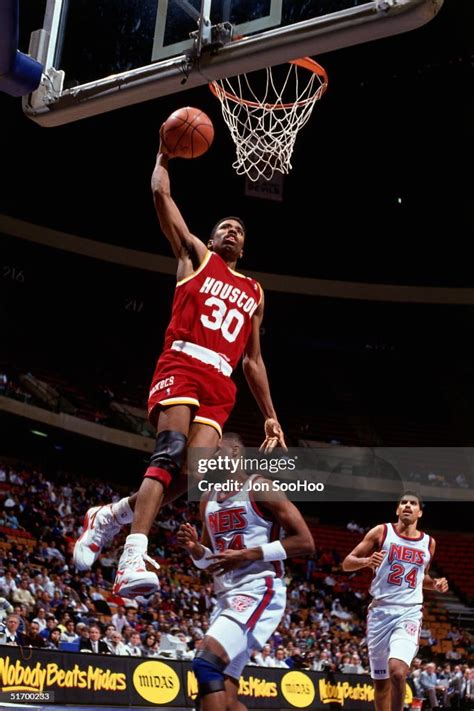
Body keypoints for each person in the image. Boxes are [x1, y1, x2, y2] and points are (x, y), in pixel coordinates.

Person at [73, 131, 286, 597]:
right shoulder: (196, 257)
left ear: (245, 249)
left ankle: (109, 516)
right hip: (183, 364)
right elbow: (160, 194)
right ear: (210, 237)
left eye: (240, 231)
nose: (232, 231)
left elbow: (253, 360)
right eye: (225, 226)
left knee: (191, 475)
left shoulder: (254, 291)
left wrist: (270, 415)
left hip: (221, 385)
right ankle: (131, 555)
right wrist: (164, 155)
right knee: (169, 452)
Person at [177, 432, 315, 711]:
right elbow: (210, 560)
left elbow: (305, 542)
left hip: (259, 590)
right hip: (226, 597)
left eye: (216, 451)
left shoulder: (260, 487)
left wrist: (247, 554)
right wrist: (195, 549)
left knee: (205, 664)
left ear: (236, 451)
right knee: (225, 699)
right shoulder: (208, 499)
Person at [342, 492, 449, 711]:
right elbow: (347, 563)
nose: (408, 506)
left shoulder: (429, 542)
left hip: (409, 612)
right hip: (380, 612)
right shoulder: (382, 531)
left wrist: (435, 583)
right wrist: (366, 561)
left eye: (413, 504)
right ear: (397, 510)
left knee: (398, 672)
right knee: (381, 684)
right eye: (403, 503)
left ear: (419, 512)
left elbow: (421, 579)